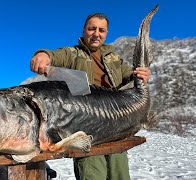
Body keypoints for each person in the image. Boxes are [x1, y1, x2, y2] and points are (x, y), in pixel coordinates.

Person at [30, 13, 150, 180]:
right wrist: (43, 55)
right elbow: (55, 55)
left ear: (106, 33)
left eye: (102, 30)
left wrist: (140, 74)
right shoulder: (73, 53)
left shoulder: (112, 57)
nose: (96, 34)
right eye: (92, 28)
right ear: (84, 31)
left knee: (120, 175)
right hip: (87, 130)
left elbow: (129, 74)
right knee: (92, 174)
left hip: (117, 125)